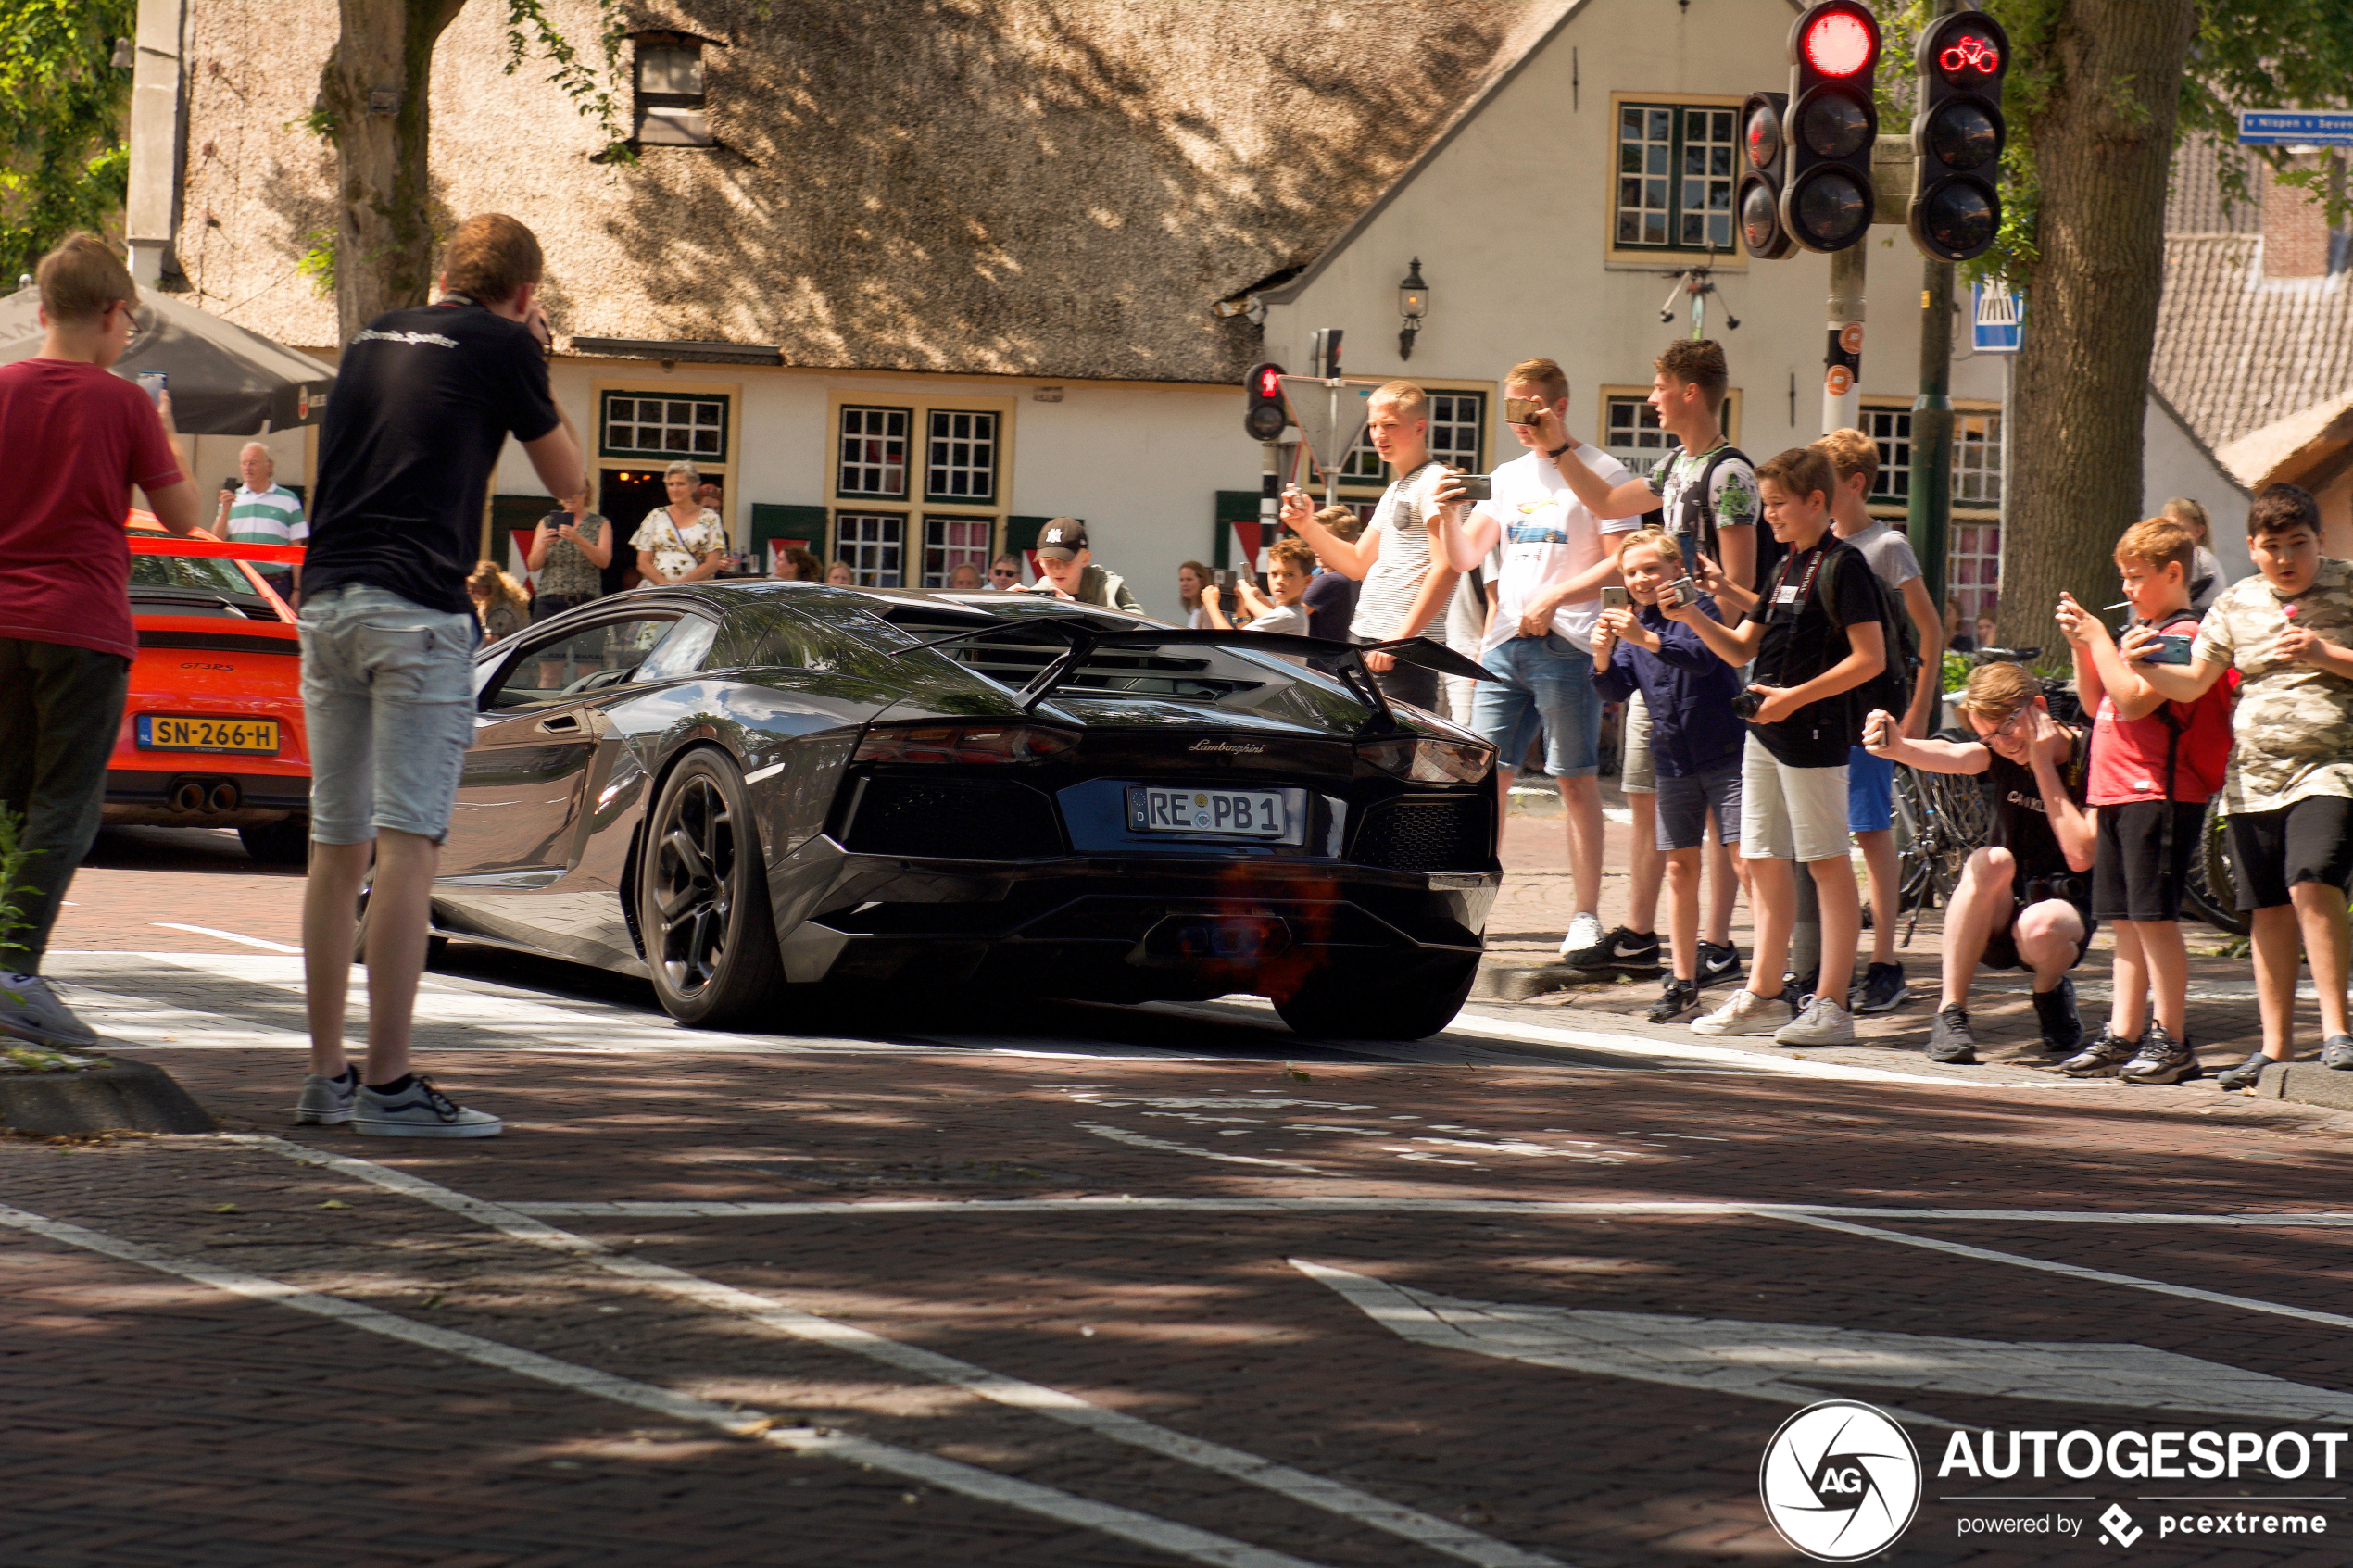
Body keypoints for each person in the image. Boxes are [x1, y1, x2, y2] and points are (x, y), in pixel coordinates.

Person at [295, 212, 585, 1137]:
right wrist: (532, 359)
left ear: (444, 274)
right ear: (525, 293)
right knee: (409, 845)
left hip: (328, 600)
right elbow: (572, 483)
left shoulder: (372, 332)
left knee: (334, 849)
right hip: (416, 611)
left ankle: (325, 1078)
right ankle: (389, 1087)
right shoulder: (506, 343)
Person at [0, 233, 205, 1049]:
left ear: (44, 310)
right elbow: (185, 516)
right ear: (115, 315)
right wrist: (163, 428)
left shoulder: (3, 388)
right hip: (81, 623)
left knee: (7, 796)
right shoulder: (123, 403)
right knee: (68, 803)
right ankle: (15, 971)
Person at [1540, 340, 1764, 979]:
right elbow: (1609, 504)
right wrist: (1560, 448)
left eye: (1658, 385)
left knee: (1726, 821)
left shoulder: (1729, 474)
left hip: (1701, 657)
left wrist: (1683, 634)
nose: (1650, 397)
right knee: (1661, 800)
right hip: (1657, 656)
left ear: (1689, 391)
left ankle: (1720, 942)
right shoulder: (1673, 466)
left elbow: (1735, 583)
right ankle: (1666, 940)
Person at [2129, 483, 2353, 1086]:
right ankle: (2275, 1047)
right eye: (2273, 546)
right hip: (2252, 781)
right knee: (2268, 909)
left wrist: (2325, 652)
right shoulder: (2233, 603)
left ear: (2320, 541)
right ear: (2252, 548)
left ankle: (2337, 1031)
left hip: (2331, 769)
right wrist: (2141, 661)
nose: (2286, 559)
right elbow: (2193, 682)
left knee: (2313, 879)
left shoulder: (2347, 583)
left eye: (2299, 544)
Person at [1669, 447, 1883, 1047]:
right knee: (1762, 858)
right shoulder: (1786, 566)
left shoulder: (1845, 566)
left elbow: (1871, 658)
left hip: (1812, 733)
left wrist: (1793, 698)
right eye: (1765, 506)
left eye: (1778, 505)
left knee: (1826, 862)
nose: (1768, 517)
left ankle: (1833, 1002)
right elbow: (1742, 649)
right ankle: (1765, 993)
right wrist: (1690, 613)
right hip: (1764, 731)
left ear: (1818, 501)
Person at [1434, 358, 1643, 965]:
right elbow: (1469, 553)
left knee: (1574, 777)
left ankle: (1584, 914)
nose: (1522, 422)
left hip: (1569, 641)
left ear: (1560, 407)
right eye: (1513, 410)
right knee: (1485, 779)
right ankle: (1472, 906)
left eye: (1532, 409)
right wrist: (1447, 513)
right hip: (1504, 641)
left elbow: (1622, 558)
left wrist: (1555, 596)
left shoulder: (1603, 471)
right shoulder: (1507, 475)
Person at [2052, 517, 2234, 1083]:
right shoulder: (2140, 629)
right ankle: (2122, 1033)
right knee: (2123, 920)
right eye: (2124, 578)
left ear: (2173, 573)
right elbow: (2093, 700)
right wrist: (2086, 648)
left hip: (2158, 790)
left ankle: (2171, 1037)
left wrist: (2105, 642)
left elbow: (2133, 702)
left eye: (2136, 578)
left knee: (2154, 920)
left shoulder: (2181, 634)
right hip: (2115, 791)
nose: (2126, 589)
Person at [1862, 661, 2096, 1065]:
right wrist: (1898, 747)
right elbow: (1955, 754)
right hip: (1999, 905)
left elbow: (2085, 853)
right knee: (1992, 859)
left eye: (2007, 727)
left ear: (2038, 706)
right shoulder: (1996, 751)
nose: (2001, 743)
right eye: (1988, 734)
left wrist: (2041, 764)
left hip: (2062, 907)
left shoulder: (2089, 753)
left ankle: (2049, 990)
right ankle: (1950, 1012)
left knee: (2040, 928)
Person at [1808, 427, 1944, 1015]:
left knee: (1869, 830)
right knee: (1824, 835)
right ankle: (1820, 961)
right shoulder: (1812, 546)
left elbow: (1930, 630)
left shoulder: (1885, 547)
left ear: (1854, 484)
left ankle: (1886, 959)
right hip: (1822, 715)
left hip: (1871, 710)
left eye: (1824, 479)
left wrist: (1914, 711)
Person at [1590, 528, 1746, 1022]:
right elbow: (1615, 686)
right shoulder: (1635, 626)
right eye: (1631, 571)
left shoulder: (1701, 611)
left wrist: (1647, 639)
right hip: (1673, 759)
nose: (1640, 579)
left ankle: (1771, 980)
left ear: (1676, 569)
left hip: (1724, 753)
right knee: (1680, 868)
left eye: (1651, 568)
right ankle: (1683, 982)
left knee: (1746, 861)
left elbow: (1704, 660)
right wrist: (1600, 653)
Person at [1281, 381, 1462, 710]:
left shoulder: (1434, 481)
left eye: (1390, 425)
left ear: (1419, 427)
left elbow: (1446, 567)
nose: (1379, 434)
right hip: (1367, 641)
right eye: (1374, 425)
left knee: (1395, 756)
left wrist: (1399, 640)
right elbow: (1357, 563)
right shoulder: (1396, 489)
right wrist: (1305, 524)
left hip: (1399, 650)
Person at [216, 441, 306, 600]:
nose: (247, 468)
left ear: (269, 466)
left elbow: (296, 546)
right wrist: (225, 510)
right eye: (244, 463)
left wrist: (297, 589)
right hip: (240, 583)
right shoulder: (232, 499)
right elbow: (216, 541)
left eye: (253, 463)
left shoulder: (288, 499)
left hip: (277, 583)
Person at [632, 460, 733, 585]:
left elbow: (712, 564)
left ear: (694, 486)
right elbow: (643, 562)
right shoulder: (656, 516)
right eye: (670, 484)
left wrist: (678, 587)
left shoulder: (710, 518)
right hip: (655, 591)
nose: (674, 489)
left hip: (694, 592)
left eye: (680, 484)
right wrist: (664, 586)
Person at [524, 490, 610, 621]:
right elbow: (533, 565)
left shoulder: (600, 523)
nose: (569, 497)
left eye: (575, 492)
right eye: (565, 493)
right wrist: (544, 545)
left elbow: (604, 562)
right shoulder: (547, 522)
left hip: (585, 601)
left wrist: (579, 540)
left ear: (585, 493)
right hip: (550, 601)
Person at [1202, 539, 1315, 636]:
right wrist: (1240, 609)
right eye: (1274, 574)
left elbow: (1231, 642)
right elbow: (1244, 631)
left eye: (1289, 574)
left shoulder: (1287, 615)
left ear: (1307, 581)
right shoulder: (1289, 614)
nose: (1279, 581)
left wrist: (1212, 606)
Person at [1027, 519, 1143, 611]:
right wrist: (1010, 606)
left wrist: (1078, 614)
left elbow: (1142, 633)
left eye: (1066, 560)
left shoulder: (1109, 589)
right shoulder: (1038, 594)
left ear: (1085, 559)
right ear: (1041, 562)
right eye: (1050, 561)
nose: (1057, 569)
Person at [1300, 508, 1363, 643]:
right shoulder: (1355, 578)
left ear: (1348, 545)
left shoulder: (1329, 580)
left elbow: (1287, 621)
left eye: (1325, 542)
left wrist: (1249, 596)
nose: (1316, 547)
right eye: (1315, 540)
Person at [2160, 496, 2227, 616]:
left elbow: (2179, 596)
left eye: (2178, 528)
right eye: (2166, 527)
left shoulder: (2197, 556)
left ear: (2198, 531)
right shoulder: (2203, 556)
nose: (2169, 534)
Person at [467, 558, 529, 641]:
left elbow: (492, 643)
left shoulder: (501, 611)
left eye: (476, 589)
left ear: (489, 587)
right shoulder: (502, 600)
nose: (471, 592)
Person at [1177, 560, 1212, 627]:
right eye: (1181, 580)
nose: (1184, 584)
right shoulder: (1195, 611)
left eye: (1189, 579)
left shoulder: (1208, 610)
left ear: (1202, 581)